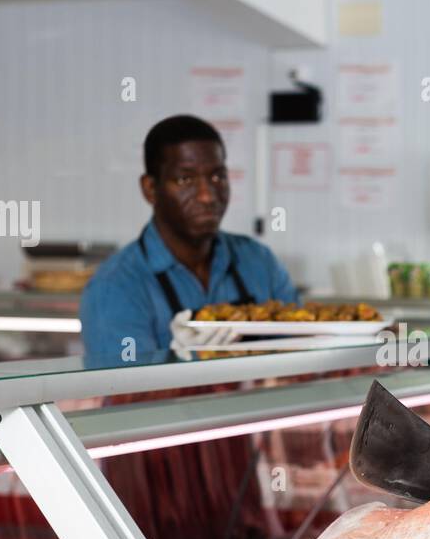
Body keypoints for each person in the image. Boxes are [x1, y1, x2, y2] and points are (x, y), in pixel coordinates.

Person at [80, 115, 298, 359]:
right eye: (185, 179)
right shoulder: (116, 287)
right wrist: (181, 360)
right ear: (150, 189)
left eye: (217, 177)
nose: (207, 196)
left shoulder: (259, 262)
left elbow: (299, 358)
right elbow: (123, 391)